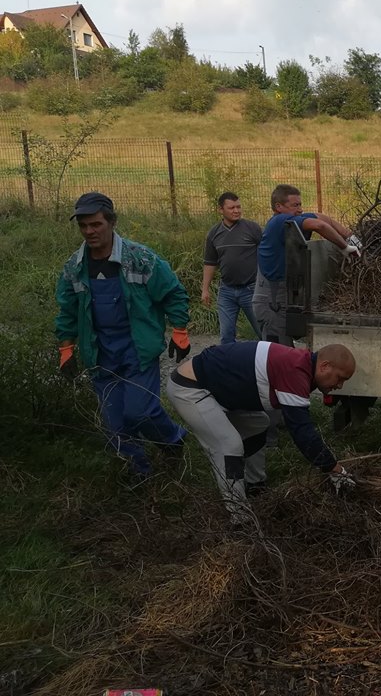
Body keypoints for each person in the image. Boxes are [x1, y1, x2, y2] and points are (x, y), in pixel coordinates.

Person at [55, 191, 192, 478]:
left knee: (140, 412)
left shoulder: (140, 259)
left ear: (112, 222)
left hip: (137, 349)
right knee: (115, 424)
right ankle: (138, 475)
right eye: (83, 226)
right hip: (100, 352)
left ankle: (172, 441)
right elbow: (67, 311)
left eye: (96, 224)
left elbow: (173, 294)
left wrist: (180, 330)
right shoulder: (74, 267)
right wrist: (66, 348)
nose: (89, 231)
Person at [165, 341, 357, 522]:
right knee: (229, 446)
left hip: (216, 389)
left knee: (258, 423)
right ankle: (240, 516)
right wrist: (333, 468)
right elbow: (302, 431)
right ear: (324, 366)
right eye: (340, 378)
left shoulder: (302, 366)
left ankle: (255, 485)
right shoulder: (295, 371)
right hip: (190, 389)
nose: (339, 385)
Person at [253, 184, 361, 346]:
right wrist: (345, 247)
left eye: (300, 205)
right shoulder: (279, 221)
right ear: (279, 207)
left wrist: (350, 236)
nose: (300, 209)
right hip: (271, 302)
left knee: (288, 351)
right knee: (278, 352)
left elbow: (321, 218)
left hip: (284, 297)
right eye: (295, 205)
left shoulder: (291, 220)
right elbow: (319, 225)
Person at [201, 191, 263, 344]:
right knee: (226, 336)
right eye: (231, 208)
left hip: (251, 289)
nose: (236, 211)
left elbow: (267, 254)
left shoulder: (252, 228)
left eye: (238, 207)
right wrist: (205, 289)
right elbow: (210, 263)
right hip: (226, 291)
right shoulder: (214, 233)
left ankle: (273, 357)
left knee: (263, 332)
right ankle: (229, 359)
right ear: (220, 210)